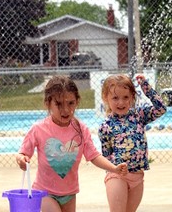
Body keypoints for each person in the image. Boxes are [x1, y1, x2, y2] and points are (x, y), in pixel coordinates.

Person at [16, 75, 128, 212]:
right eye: (59, 104)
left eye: (71, 103)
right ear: (48, 103)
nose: (65, 109)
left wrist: (114, 168)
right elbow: (22, 153)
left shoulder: (81, 130)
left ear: (77, 101)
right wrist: (21, 159)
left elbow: (93, 155)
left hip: (69, 193)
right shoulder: (39, 129)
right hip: (44, 192)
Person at [98, 74, 167, 212]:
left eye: (126, 97)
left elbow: (161, 108)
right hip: (117, 176)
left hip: (137, 176)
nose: (121, 103)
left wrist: (146, 87)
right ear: (106, 98)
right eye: (115, 98)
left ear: (132, 97)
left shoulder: (139, 116)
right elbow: (106, 154)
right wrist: (114, 168)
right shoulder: (106, 126)